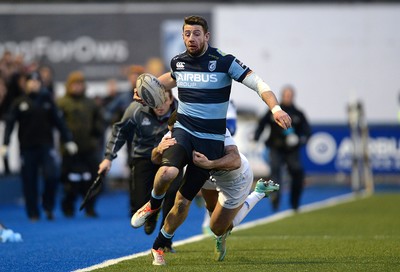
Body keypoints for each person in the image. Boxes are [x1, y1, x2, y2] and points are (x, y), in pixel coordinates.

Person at [130, 15, 292, 265]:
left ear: (207, 36)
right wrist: (143, 92)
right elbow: (165, 82)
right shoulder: (178, 63)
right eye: (186, 33)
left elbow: (259, 84)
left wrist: (276, 109)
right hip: (184, 130)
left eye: (196, 33)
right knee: (166, 174)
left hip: (211, 143)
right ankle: (152, 205)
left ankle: (159, 245)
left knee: (184, 203)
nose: (191, 38)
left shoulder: (224, 61)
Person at [154, 112, 279, 263]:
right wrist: (158, 150)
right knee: (205, 207)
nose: (174, 135)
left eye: (176, 131)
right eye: (172, 131)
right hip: (207, 173)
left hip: (233, 178)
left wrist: (210, 164)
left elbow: (235, 161)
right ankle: (158, 242)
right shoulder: (172, 135)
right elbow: (156, 159)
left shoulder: (214, 130)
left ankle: (258, 193)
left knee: (217, 228)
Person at [98, 89, 181, 248]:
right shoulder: (135, 109)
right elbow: (120, 132)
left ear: (171, 100)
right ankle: (152, 213)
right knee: (139, 203)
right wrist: (108, 158)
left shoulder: (182, 110)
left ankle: (165, 241)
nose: (159, 105)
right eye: (155, 101)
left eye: (163, 100)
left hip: (172, 156)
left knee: (172, 196)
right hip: (143, 155)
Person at [1, 72, 77, 221]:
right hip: (27, 148)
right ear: (26, 83)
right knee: (29, 181)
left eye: (36, 81)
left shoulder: (47, 100)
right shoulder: (19, 102)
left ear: (40, 84)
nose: (33, 84)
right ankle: (33, 213)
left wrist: (68, 139)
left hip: (46, 146)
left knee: (52, 175)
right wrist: (5, 144)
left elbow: (59, 122)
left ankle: (48, 206)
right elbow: (10, 124)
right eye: (31, 81)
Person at [254, 85, 311, 211]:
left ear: (293, 97)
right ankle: (275, 199)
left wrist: (300, 140)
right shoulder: (273, 112)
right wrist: (257, 135)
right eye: (286, 95)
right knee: (275, 172)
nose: (287, 98)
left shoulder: (298, 114)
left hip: (292, 150)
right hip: (275, 148)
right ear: (282, 96)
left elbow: (307, 131)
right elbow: (261, 124)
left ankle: (295, 202)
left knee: (297, 172)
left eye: (290, 96)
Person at [57, 71, 104, 218]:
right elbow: (57, 124)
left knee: (94, 179)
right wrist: (65, 143)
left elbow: (99, 122)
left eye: (80, 84)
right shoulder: (62, 103)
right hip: (69, 150)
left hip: (88, 148)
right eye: (74, 84)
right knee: (70, 181)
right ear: (69, 86)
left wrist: (96, 138)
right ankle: (68, 206)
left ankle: (90, 207)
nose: (77, 87)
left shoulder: (90, 103)